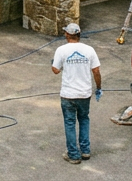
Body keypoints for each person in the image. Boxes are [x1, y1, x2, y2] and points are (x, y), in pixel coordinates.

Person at [52, 22, 102, 164]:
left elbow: (55, 70)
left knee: (70, 123)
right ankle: (85, 151)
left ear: (67, 34)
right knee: (84, 119)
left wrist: (62, 65)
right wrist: (98, 87)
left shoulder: (61, 50)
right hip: (84, 94)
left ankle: (73, 154)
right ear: (79, 34)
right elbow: (96, 71)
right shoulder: (89, 50)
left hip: (68, 94)